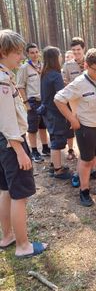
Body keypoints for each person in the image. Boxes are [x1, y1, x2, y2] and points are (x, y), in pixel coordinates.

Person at [0, 29, 47, 258]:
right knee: (20, 195)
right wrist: (20, 151)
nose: (21, 56)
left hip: (4, 143)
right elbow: (7, 121)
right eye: (17, 52)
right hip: (10, 144)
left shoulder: (5, 74)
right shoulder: (2, 81)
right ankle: (23, 245)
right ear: (3, 52)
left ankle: (7, 235)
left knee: (6, 190)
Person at [55, 48, 96, 207]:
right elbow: (58, 99)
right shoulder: (78, 83)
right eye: (95, 70)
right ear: (86, 65)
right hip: (86, 129)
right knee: (87, 160)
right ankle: (84, 191)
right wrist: (72, 120)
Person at [16, 43, 50, 163]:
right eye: (32, 52)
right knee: (32, 128)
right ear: (27, 54)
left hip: (44, 101)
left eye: (36, 52)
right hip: (32, 101)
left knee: (43, 126)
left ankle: (45, 147)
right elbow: (20, 86)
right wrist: (26, 103)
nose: (35, 55)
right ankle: (34, 151)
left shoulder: (43, 65)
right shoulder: (24, 68)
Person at [41, 46, 71, 179]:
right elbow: (61, 96)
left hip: (48, 112)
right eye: (59, 55)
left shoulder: (46, 73)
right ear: (55, 58)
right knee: (57, 140)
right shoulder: (56, 75)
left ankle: (55, 165)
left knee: (53, 137)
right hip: (55, 112)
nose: (61, 57)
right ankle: (58, 170)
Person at [62, 37, 86, 161]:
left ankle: (88, 152)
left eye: (78, 49)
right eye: (74, 50)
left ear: (83, 49)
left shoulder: (90, 62)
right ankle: (71, 149)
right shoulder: (67, 65)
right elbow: (64, 82)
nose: (76, 52)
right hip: (73, 103)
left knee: (88, 128)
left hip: (89, 102)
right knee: (72, 126)